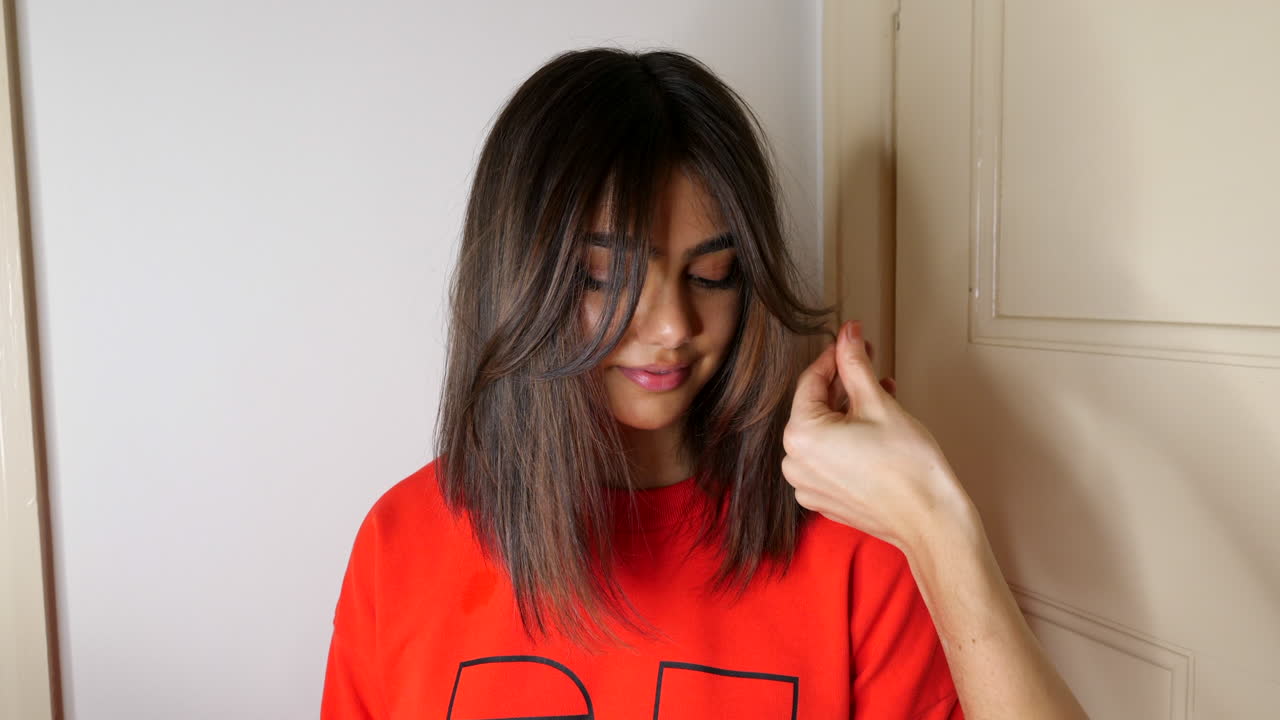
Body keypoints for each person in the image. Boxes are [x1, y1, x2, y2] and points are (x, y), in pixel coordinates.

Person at [321, 47, 1087, 720]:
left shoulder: (853, 546)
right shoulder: (402, 544)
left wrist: (935, 525)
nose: (671, 327)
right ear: (521, 281)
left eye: (712, 274)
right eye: (607, 278)